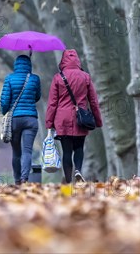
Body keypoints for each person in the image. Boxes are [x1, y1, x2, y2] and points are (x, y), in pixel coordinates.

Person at [45, 49, 103, 183]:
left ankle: (68, 183)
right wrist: (97, 120)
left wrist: (49, 123)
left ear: (63, 61)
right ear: (77, 60)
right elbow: (93, 101)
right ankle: (78, 170)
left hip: (62, 118)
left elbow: (52, 103)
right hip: (80, 118)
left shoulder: (58, 78)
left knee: (66, 151)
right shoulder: (85, 76)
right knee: (79, 147)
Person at [0, 55, 41, 185]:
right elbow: (37, 97)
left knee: (16, 152)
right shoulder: (34, 79)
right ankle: (25, 179)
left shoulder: (9, 78)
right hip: (30, 119)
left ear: (16, 65)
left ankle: (17, 180)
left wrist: (5, 112)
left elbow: (4, 101)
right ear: (29, 65)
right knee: (27, 151)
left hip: (15, 120)